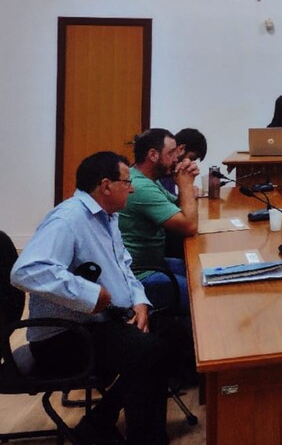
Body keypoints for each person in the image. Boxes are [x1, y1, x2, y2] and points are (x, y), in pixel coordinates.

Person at [11, 151, 171, 445]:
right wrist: (88, 294)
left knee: (167, 334)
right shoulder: (68, 219)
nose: (132, 189)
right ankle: (135, 436)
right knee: (149, 351)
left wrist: (139, 301)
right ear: (106, 185)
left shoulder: (108, 217)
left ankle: (99, 423)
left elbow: (124, 266)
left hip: (97, 324)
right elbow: (26, 271)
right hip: (62, 338)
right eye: (127, 182)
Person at [119, 128, 199, 315]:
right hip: (140, 275)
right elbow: (189, 226)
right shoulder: (141, 187)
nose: (176, 159)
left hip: (154, 263)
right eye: (171, 153)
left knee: (200, 272)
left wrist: (185, 187)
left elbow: (178, 207)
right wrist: (186, 185)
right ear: (153, 155)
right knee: (198, 294)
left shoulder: (148, 180)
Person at [160, 127, 207, 196]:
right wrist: (187, 189)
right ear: (181, 148)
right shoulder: (164, 172)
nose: (190, 163)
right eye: (191, 158)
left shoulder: (172, 173)